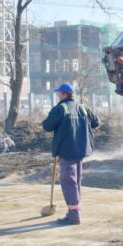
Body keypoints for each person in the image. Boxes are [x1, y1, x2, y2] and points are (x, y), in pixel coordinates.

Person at [42, 83, 100, 225]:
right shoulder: (83, 108)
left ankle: (73, 215)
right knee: (76, 180)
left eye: (59, 93)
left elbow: (47, 126)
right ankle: (75, 210)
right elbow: (96, 122)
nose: (57, 95)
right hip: (81, 149)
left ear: (64, 94)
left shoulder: (61, 108)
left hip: (67, 150)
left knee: (68, 181)